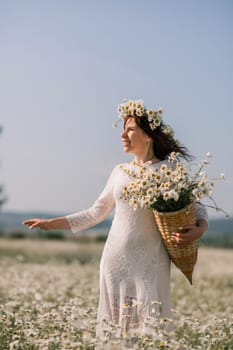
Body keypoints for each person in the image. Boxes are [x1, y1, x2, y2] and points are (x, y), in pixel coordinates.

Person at [23, 99, 208, 343]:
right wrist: (51, 223)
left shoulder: (169, 169)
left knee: (148, 334)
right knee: (115, 336)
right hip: (114, 263)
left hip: (150, 263)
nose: (123, 134)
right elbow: (96, 212)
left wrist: (198, 231)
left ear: (149, 135)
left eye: (130, 128)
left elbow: (198, 208)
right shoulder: (119, 171)